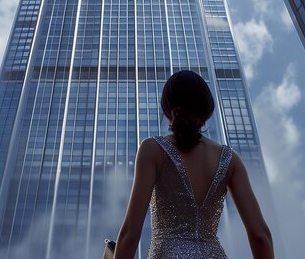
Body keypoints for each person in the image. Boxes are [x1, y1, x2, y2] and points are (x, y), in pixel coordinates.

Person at [113, 70, 273, 259]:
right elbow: (260, 236)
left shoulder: (152, 149)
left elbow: (130, 234)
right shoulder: (230, 159)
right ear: (205, 111)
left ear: (168, 107)